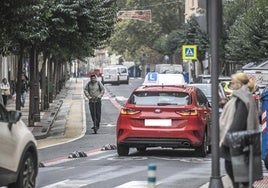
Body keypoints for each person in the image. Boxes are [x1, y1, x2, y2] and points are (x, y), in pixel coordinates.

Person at [219, 72, 260, 188]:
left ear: (239, 84)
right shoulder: (243, 97)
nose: (231, 85)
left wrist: (226, 141)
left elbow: (238, 122)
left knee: (240, 178)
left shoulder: (242, 99)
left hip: (237, 144)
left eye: (233, 83)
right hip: (240, 143)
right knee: (242, 179)